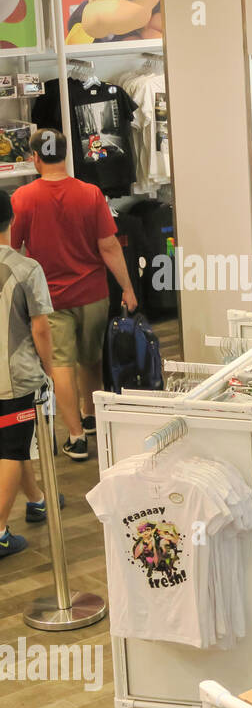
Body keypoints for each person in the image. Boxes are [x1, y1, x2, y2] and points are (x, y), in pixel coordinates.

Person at [10, 129, 136, 462]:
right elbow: (108, 246)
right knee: (91, 358)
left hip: (48, 297)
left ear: (35, 157)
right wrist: (127, 287)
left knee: (60, 366)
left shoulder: (23, 198)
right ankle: (90, 414)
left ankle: (77, 437)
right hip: (93, 292)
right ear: (66, 155)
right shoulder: (91, 193)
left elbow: (12, 249)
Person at [0, 190, 56, 559]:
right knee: (10, 447)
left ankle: (36, 499)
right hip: (14, 377)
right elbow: (41, 329)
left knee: (16, 442)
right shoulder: (26, 268)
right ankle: (0, 531)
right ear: (11, 220)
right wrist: (49, 370)